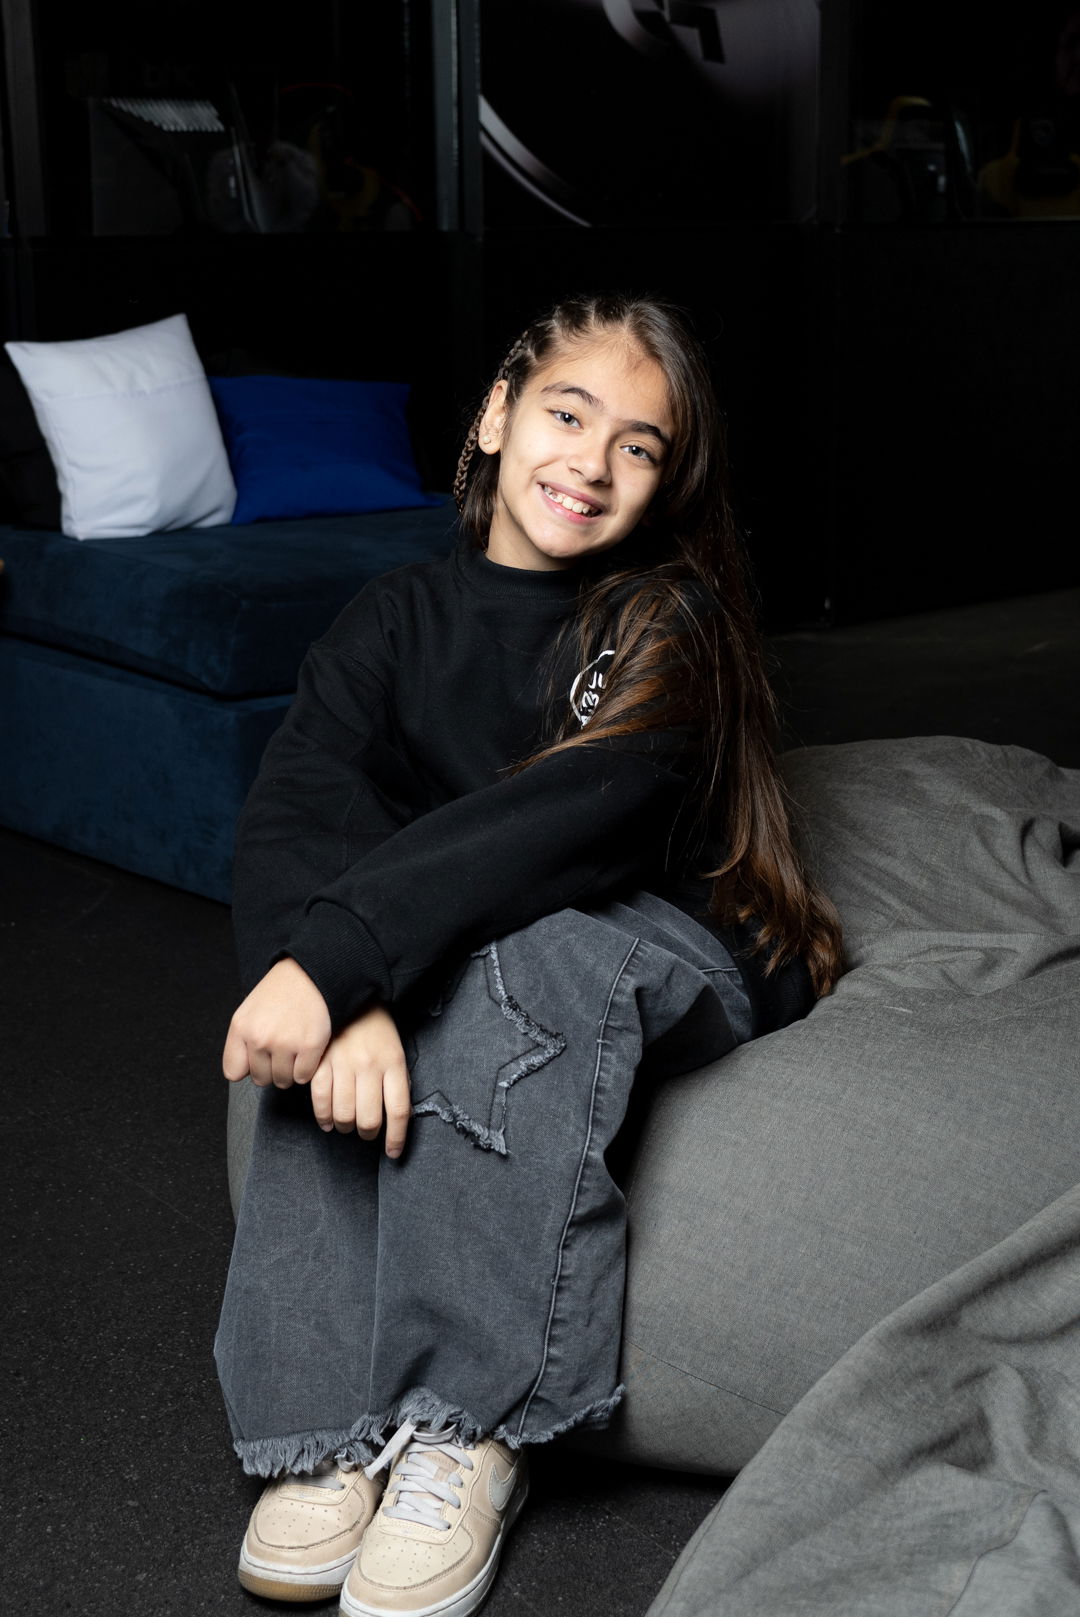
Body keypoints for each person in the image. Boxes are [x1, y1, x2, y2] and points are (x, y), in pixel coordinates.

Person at [214, 291, 843, 1616]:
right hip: (476, 914)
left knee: (521, 963)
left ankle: (471, 1427)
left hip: (669, 926)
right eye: (568, 414)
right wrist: (342, 992)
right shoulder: (394, 614)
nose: (592, 463)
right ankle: (319, 1430)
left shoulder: (667, 619)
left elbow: (568, 820)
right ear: (498, 415)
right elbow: (301, 799)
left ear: (665, 482)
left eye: (638, 445)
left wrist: (355, 950)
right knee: (329, 1018)